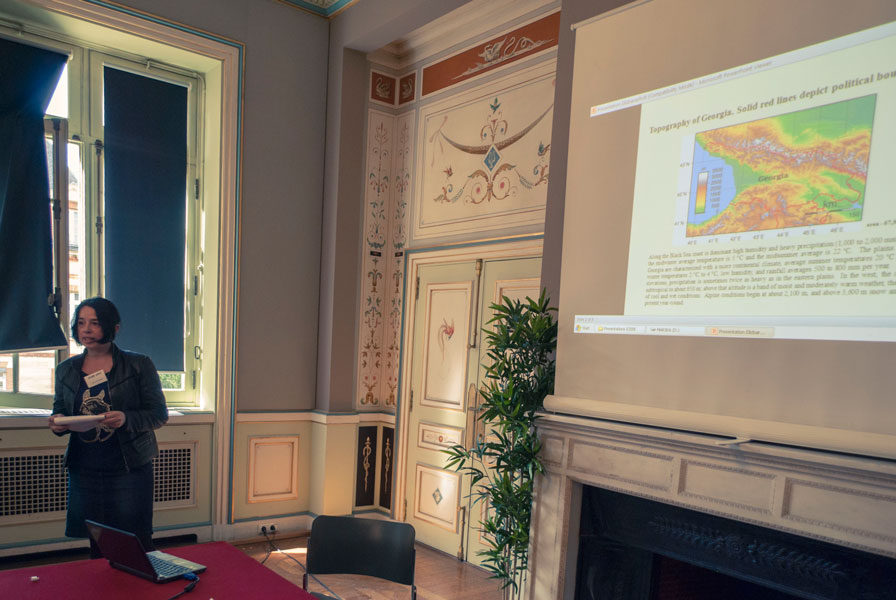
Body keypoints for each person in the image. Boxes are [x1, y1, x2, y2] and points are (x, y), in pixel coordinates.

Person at [49, 297, 168, 557]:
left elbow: (159, 414)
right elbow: (60, 409)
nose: (86, 330)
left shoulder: (138, 365)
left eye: (94, 323)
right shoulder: (65, 370)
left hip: (128, 467)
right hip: (85, 468)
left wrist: (126, 418)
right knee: (99, 542)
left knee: (137, 543)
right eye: (81, 323)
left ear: (113, 327)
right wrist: (58, 423)